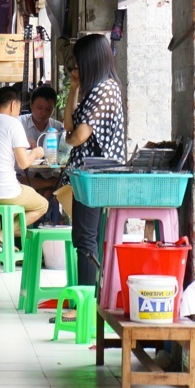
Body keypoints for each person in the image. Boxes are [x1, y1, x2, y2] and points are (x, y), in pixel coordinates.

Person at [62, 32, 127, 288]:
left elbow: (77, 135)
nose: (76, 68)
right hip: (87, 177)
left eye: (78, 63)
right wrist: (74, 89)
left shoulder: (106, 89)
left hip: (97, 176)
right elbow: (69, 123)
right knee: (83, 238)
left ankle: (85, 304)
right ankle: (89, 300)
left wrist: (69, 139)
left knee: (86, 239)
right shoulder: (94, 90)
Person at [0, 86, 49, 232]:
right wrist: (36, 153)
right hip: (6, 191)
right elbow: (24, 163)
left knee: (6, 207)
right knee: (42, 205)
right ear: (14, 105)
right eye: (19, 107)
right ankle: (5, 234)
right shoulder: (13, 124)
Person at [21, 84, 65, 151]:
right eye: (39, 108)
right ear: (31, 105)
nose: (43, 113)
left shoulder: (58, 128)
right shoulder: (19, 124)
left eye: (48, 109)